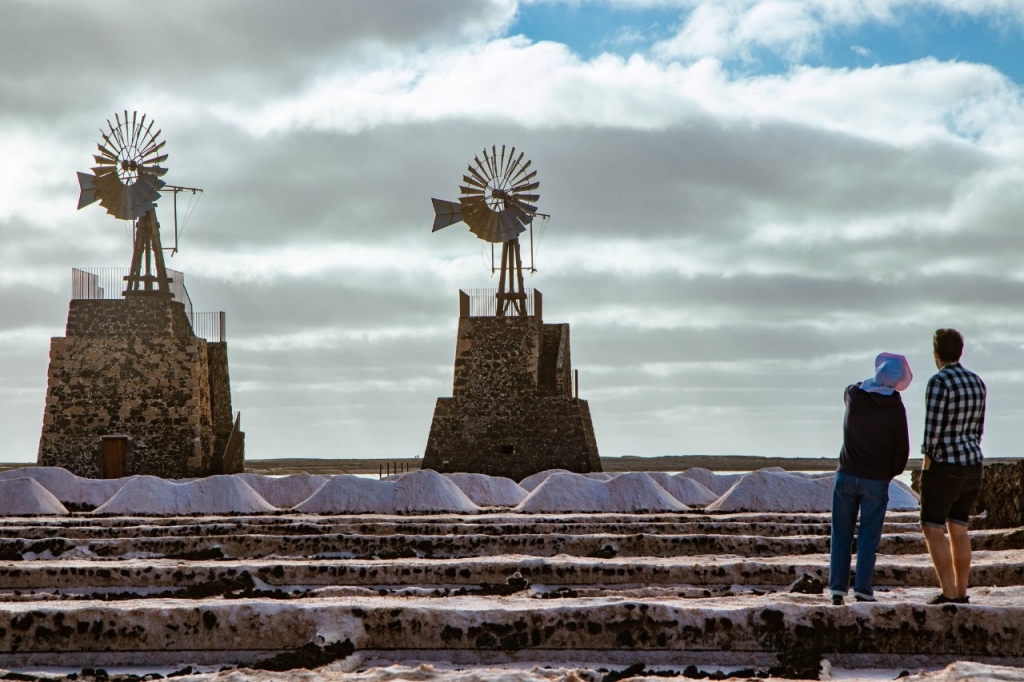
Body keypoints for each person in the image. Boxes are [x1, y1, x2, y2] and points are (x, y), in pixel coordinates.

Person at [829, 352, 912, 606]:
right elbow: (902, 450)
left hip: (846, 475)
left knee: (841, 534)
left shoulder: (854, 396)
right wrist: (890, 473)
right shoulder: (896, 406)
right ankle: (863, 589)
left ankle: (837, 591)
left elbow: (851, 386)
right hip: (876, 480)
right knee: (868, 537)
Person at [920, 328, 986, 605]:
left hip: (946, 464)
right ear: (960, 351)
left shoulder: (939, 382)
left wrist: (927, 465)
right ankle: (961, 591)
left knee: (931, 525)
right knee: (959, 528)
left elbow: (932, 431)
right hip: (973, 462)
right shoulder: (977, 381)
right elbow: (979, 427)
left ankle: (947, 592)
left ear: (936, 354)